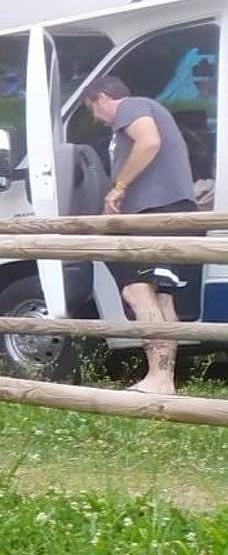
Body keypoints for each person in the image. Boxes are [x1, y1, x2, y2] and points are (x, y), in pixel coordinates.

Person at [86, 76, 199, 395]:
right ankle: (164, 380)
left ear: (102, 98)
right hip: (171, 211)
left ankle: (159, 378)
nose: (96, 118)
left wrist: (119, 188)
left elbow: (148, 141)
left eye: (93, 109)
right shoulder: (154, 109)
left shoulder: (133, 106)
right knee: (162, 295)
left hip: (152, 212)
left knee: (137, 292)